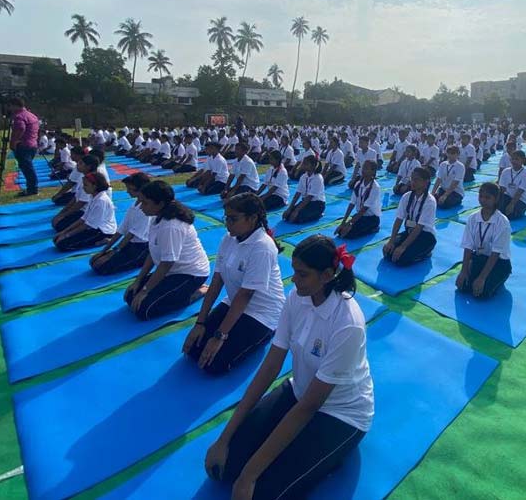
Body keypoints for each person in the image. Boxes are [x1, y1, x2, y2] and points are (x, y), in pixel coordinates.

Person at [204, 235, 372, 499]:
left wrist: (250, 476)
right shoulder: (296, 298)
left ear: (327, 275)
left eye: (302, 274)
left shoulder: (347, 323)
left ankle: (332, 452)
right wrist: (224, 438)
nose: (294, 279)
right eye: (294, 271)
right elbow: (270, 365)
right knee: (223, 467)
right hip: (299, 392)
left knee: (259, 492)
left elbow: (310, 406)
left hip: (339, 413)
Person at [183, 192, 286, 374]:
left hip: (261, 313)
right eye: (226, 218)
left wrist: (219, 336)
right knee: (193, 349)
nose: (227, 223)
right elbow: (216, 282)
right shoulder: (228, 239)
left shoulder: (262, 247)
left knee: (213, 365)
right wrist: (200, 323)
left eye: (233, 219)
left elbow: (246, 295)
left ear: (252, 218)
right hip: (235, 302)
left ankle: (268, 332)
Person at [124, 181, 211, 320]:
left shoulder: (171, 226)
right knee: (130, 295)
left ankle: (195, 292)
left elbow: (166, 263)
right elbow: (152, 253)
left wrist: (145, 290)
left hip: (190, 274)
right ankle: (178, 292)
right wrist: (138, 280)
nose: (140, 207)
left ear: (160, 204)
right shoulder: (157, 218)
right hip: (172, 271)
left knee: (144, 310)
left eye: (145, 203)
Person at [456, 182, 512, 298]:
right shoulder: (473, 218)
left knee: (481, 293)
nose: (483, 200)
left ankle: (500, 277)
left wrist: (482, 278)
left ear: (496, 199)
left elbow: (495, 253)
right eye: (481, 196)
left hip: (499, 262)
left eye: (488, 197)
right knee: (463, 286)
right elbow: (468, 246)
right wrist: (464, 271)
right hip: (480, 257)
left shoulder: (502, 222)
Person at [90, 173, 152, 275]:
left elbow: (131, 234)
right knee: (93, 261)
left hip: (141, 247)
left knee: (100, 267)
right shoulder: (134, 204)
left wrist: (113, 252)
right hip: (130, 244)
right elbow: (122, 229)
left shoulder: (146, 210)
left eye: (131, 189)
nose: (127, 191)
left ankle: (142, 259)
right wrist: (104, 250)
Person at [384, 167, 437, 266]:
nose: (412, 182)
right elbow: (399, 219)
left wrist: (403, 247)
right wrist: (391, 240)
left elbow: (419, 227)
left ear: (425, 183)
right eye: (412, 179)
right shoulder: (406, 196)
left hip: (425, 236)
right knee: (386, 251)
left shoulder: (430, 201)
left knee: (401, 259)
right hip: (410, 232)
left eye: (416, 179)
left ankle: (426, 253)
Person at [53, 173, 117, 252]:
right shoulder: (93, 196)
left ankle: (105, 239)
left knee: (61, 244)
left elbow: (87, 225)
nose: (83, 187)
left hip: (102, 231)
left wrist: (67, 235)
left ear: (95, 186)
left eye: (86, 185)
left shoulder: (101, 201)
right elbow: (83, 219)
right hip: (92, 226)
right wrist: (64, 232)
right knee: (57, 239)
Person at [335, 160, 382, 239]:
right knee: (341, 231)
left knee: (349, 234)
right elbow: (352, 203)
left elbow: (364, 209)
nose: (363, 170)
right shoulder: (358, 184)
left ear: (373, 171)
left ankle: (373, 228)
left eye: (366, 168)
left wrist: (350, 224)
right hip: (360, 216)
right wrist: (343, 222)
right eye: (363, 167)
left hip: (371, 219)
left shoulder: (375, 187)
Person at [6, 97, 40, 196]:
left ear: (14, 105)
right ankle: (32, 187)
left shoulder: (19, 116)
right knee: (28, 167)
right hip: (32, 144)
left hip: (24, 145)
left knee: (27, 168)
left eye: (10, 106)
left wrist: (14, 141)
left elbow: (21, 128)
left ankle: (32, 188)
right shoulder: (32, 115)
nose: (9, 109)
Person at [282, 155, 326, 224]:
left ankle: (319, 213)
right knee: (287, 216)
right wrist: (289, 208)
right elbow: (298, 193)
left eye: (306, 164)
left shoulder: (318, 178)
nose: (303, 165)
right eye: (303, 163)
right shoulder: (303, 176)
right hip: (306, 202)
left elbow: (309, 197)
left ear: (313, 165)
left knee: (296, 218)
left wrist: (296, 210)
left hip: (317, 204)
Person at [498, 149, 526, 219]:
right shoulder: (506, 171)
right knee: (498, 212)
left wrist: (511, 205)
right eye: (512, 159)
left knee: (510, 215)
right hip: (508, 196)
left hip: (522, 200)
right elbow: (502, 189)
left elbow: (520, 192)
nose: (514, 161)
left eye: (517, 159)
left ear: (522, 160)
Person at [432, 145, 465, 209]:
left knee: (445, 204)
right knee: (431, 201)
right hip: (443, 189)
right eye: (448, 153)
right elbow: (438, 179)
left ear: (458, 154)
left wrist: (445, 196)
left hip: (455, 192)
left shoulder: (460, 166)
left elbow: (455, 183)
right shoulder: (443, 164)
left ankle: (457, 200)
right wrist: (433, 193)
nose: (450, 155)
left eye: (453, 153)